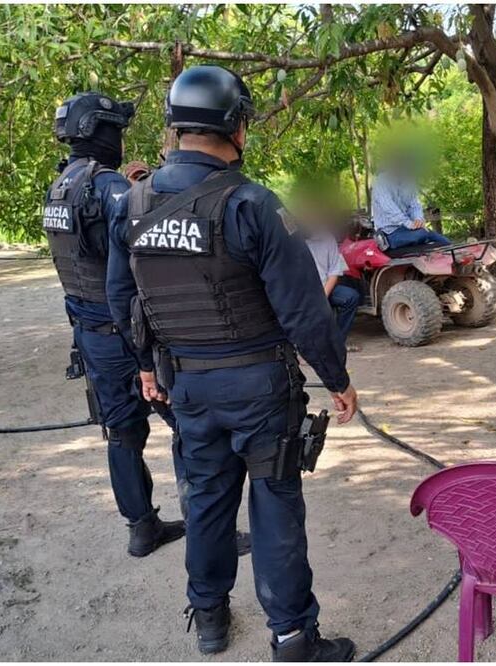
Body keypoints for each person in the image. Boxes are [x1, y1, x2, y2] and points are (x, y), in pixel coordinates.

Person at [106, 65, 358, 662]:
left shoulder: (134, 203)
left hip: (186, 385)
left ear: (175, 128)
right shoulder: (252, 204)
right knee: (274, 506)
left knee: (207, 500)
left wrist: (146, 365)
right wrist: (338, 379)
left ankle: (211, 617)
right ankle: (294, 637)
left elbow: (122, 298)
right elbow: (303, 311)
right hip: (259, 388)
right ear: (237, 127)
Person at [42, 92, 185, 557]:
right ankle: (211, 533)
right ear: (101, 132)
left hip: (89, 333)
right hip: (128, 335)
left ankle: (141, 527)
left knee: (122, 433)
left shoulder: (61, 187)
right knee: (188, 423)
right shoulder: (107, 189)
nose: (120, 140)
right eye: (116, 131)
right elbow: (149, 249)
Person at [370, 149, 450, 250]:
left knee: (445, 242)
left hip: (409, 229)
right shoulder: (381, 182)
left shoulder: (409, 181)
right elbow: (389, 209)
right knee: (423, 234)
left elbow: (415, 204)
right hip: (389, 233)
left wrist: (418, 219)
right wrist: (410, 224)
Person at [304, 230, 360, 345]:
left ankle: (337, 340)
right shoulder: (294, 241)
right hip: (304, 291)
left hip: (325, 287)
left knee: (351, 297)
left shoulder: (328, 238)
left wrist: (323, 297)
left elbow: (334, 271)